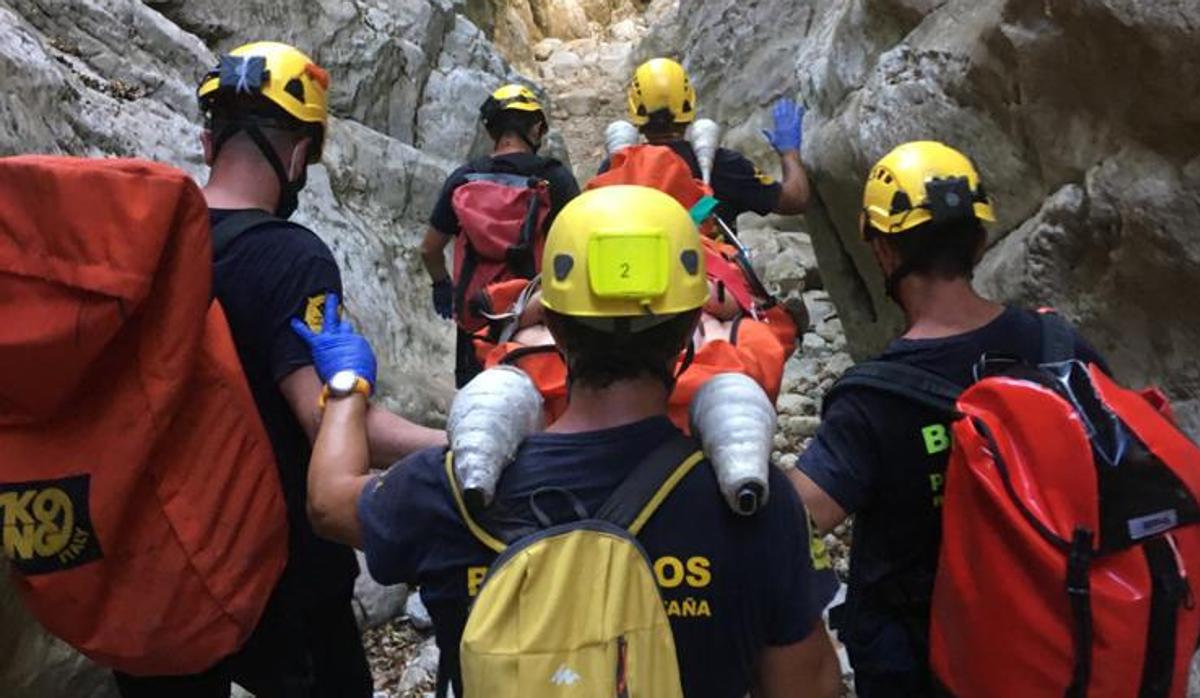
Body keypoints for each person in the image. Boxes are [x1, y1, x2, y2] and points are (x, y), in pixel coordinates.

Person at [297, 186, 843, 698]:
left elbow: (328, 501)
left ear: (553, 324)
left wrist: (346, 387)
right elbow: (809, 686)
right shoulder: (756, 503)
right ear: (687, 330)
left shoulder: (445, 490)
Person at [114, 41, 446, 697]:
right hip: (276, 570)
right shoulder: (290, 258)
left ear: (208, 144)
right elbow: (327, 418)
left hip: (155, 562)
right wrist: (455, 444)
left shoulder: (144, 245)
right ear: (297, 154)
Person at [788, 141, 1109, 697]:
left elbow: (798, 518)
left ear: (883, 252)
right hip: (1060, 639)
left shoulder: (874, 400)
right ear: (980, 241)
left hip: (929, 663)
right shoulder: (1060, 347)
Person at [419, 84, 580, 388]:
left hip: (476, 316)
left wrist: (442, 285)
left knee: (476, 405)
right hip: (531, 317)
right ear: (535, 128)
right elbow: (579, 246)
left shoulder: (463, 178)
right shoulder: (555, 178)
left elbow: (429, 249)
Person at [608, 57, 811, 224]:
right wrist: (789, 153)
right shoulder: (722, 165)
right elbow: (795, 199)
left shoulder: (616, 168)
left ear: (635, 110)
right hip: (705, 271)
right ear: (688, 103)